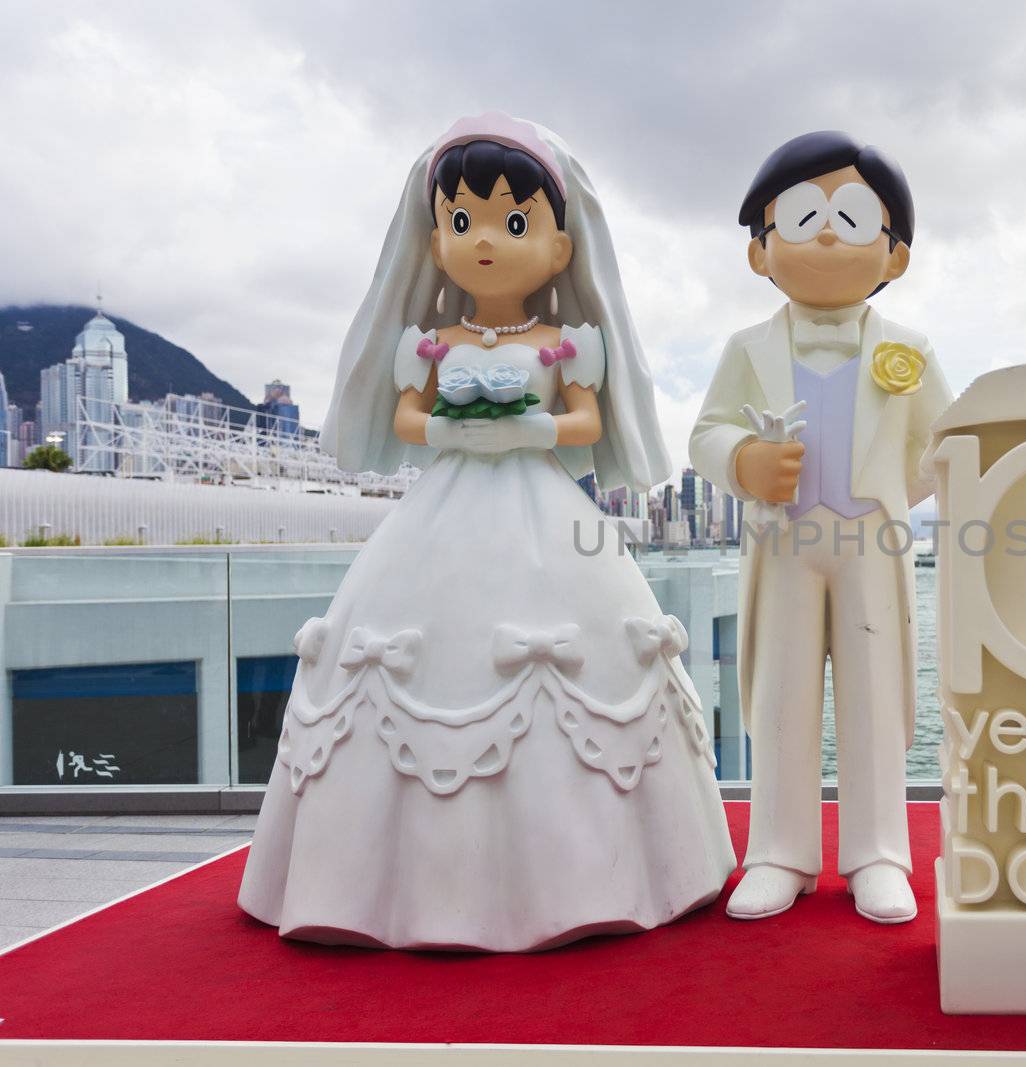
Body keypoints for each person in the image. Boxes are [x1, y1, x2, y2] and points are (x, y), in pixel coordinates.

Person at [238, 113, 735, 951]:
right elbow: (406, 413)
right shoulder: (432, 342)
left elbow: (583, 422)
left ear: (560, 250)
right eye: (462, 222)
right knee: (414, 653)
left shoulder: (563, 344)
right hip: (443, 503)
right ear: (435, 243)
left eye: (513, 223)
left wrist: (531, 434)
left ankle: (588, 877)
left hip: (543, 505)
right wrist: (442, 434)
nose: (486, 244)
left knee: (572, 668)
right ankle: (379, 884)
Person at [690, 131, 952, 923]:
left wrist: (891, 493)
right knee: (779, 694)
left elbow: (948, 444)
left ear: (894, 254)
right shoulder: (748, 348)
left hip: (871, 545)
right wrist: (743, 461)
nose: (830, 233)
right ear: (761, 252)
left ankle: (878, 851)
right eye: (804, 217)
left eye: (851, 216)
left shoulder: (910, 349)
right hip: (784, 545)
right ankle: (779, 848)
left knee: (877, 698)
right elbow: (705, 433)